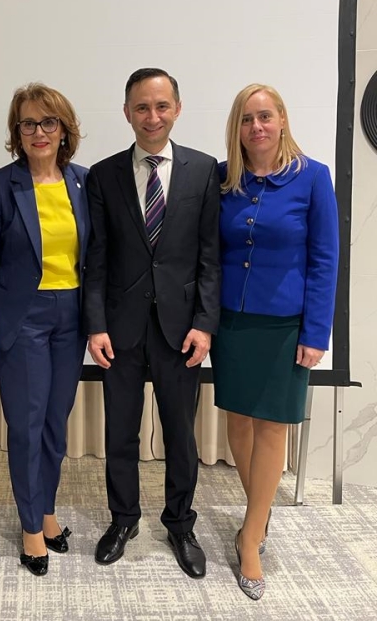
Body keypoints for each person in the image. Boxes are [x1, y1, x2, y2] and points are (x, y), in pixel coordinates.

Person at [84, 68, 221, 578]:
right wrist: (95, 324)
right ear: (127, 112)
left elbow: (210, 257)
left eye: (162, 106)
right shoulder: (103, 175)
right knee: (120, 432)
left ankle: (180, 524)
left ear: (177, 109)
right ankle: (124, 519)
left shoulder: (204, 171)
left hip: (181, 329)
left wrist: (205, 323)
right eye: (142, 107)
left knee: (180, 435)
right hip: (120, 329)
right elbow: (96, 258)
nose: (152, 116)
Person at [212, 84, 338, 600]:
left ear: (282, 119)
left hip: (285, 325)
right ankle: (258, 513)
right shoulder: (225, 179)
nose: (256, 127)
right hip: (231, 322)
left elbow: (325, 259)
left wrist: (316, 332)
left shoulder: (313, 177)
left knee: (272, 427)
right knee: (238, 421)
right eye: (246, 119)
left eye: (265, 116)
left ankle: (250, 539)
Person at [0, 83, 89, 576]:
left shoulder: (83, 182)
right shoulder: (0, 186)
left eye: (49, 122)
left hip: (72, 318)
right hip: (22, 319)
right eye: (28, 123)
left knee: (56, 423)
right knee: (26, 425)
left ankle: (47, 510)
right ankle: (30, 527)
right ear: (17, 132)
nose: (39, 132)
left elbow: (95, 258)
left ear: (64, 130)